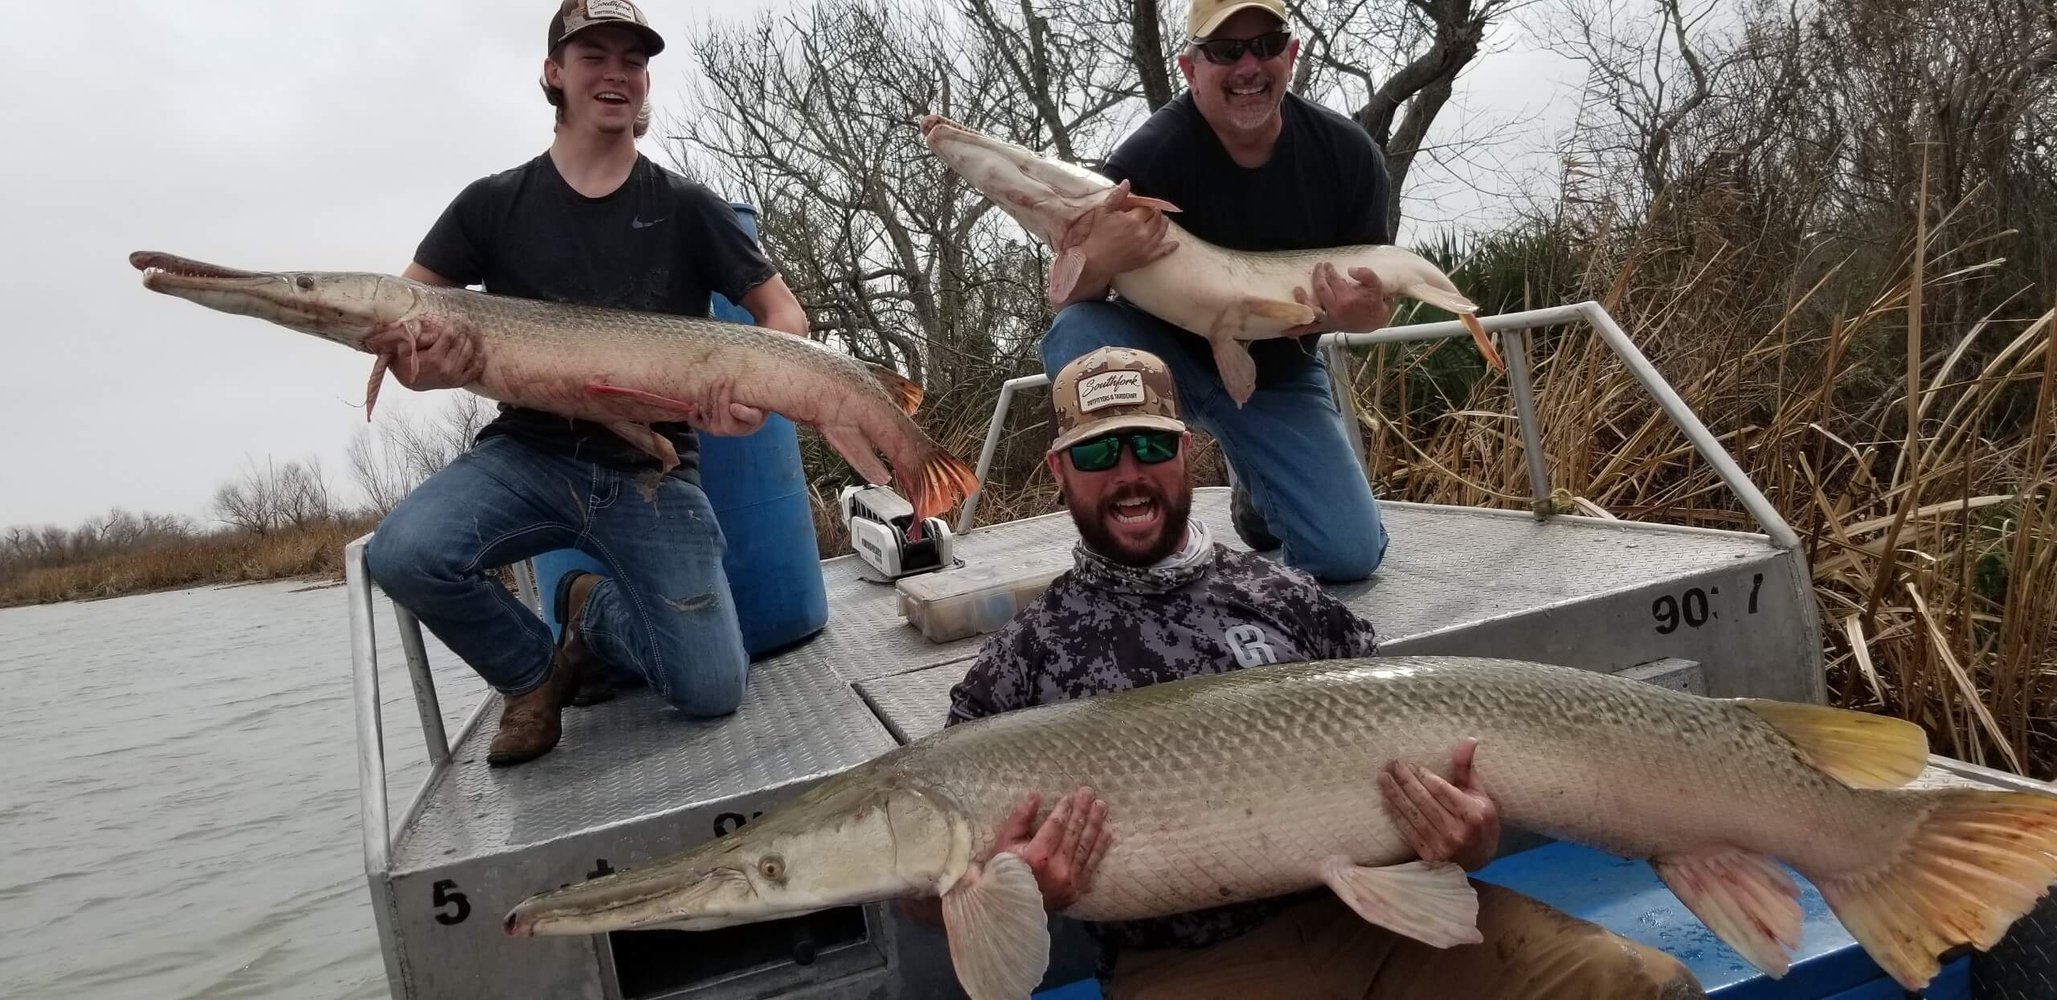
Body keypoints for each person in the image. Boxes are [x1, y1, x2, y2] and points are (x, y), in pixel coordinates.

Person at [940, 347, 1707, 999]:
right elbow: (918, 883)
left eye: (1148, 444)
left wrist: (1467, 839)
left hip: (1376, 918)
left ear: (1185, 450)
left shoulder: (1284, 595)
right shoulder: (1021, 661)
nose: (1128, 474)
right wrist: (1018, 891)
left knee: (1637, 984)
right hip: (1195, 966)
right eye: (1098, 454)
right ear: (1059, 472)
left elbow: (1425, 786)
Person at [362, 0, 811, 766]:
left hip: (651, 469)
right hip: (528, 454)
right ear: (553, 75)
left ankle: (588, 613)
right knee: (403, 553)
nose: (616, 74)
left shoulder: (687, 207)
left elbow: (784, 318)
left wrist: (746, 392)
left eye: (632, 61)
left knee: (710, 692)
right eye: (593, 56)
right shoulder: (491, 204)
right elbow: (406, 324)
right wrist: (423, 368)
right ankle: (532, 674)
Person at [1039, 0, 1401, 584]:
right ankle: (1137, 539)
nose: (1248, 67)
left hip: (1278, 373)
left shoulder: (1349, 157)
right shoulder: (1144, 160)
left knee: (1348, 555)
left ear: (1291, 53)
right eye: (1226, 51)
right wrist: (1101, 257)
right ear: (1190, 68)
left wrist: (1360, 318)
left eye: (1264, 44)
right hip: (1162, 366)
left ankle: (1256, 488)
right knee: (1078, 330)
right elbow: (1070, 299)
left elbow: (1375, 293)